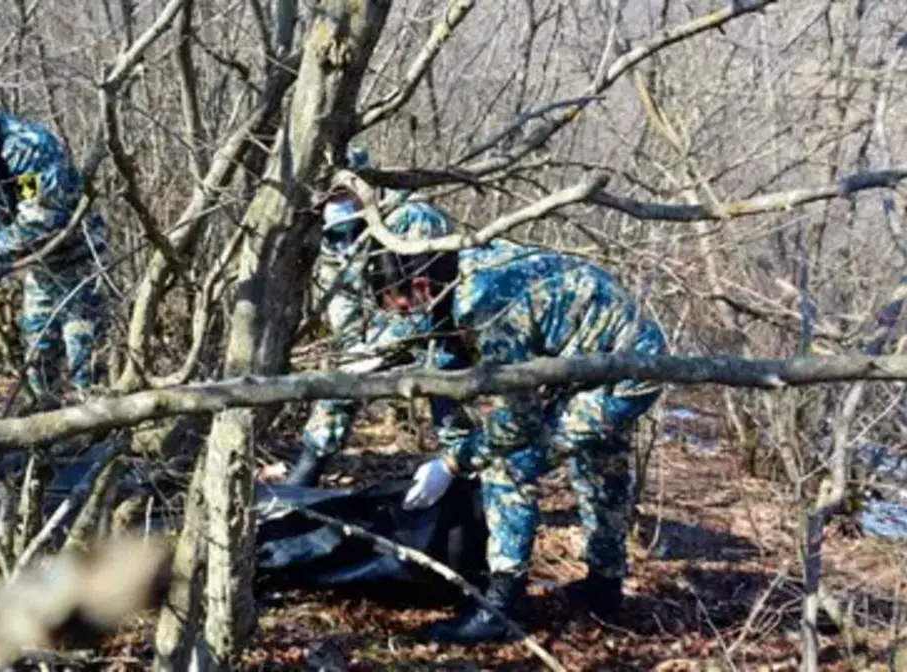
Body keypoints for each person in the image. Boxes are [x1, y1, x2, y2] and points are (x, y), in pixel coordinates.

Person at [352, 219, 668, 644]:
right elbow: (446, 356)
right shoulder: (465, 263)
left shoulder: (483, 304)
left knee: (509, 463)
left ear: (424, 286)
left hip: (624, 371)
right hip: (610, 355)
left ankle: (500, 606)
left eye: (405, 308)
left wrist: (452, 461)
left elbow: (517, 422)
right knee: (601, 465)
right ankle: (605, 588)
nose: (407, 318)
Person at [285, 148, 474, 486]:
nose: (337, 200)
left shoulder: (413, 218)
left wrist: (373, 353)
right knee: (337, 390)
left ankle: (459, 469)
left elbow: (424, 303)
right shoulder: (330, 236)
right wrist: (353, 356)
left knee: (445, 381)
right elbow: (341, 306)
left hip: (437, 333)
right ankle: (305, 473)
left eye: (344, 191)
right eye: (331, 193)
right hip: (376, 338)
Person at [0, 101, 110, 410]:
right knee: (38, 352)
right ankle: (47, 429)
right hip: (39, 265)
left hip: (79, 256)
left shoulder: (24, 147)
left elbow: (43, 217)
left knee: (84, 354)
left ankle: (103, 434)